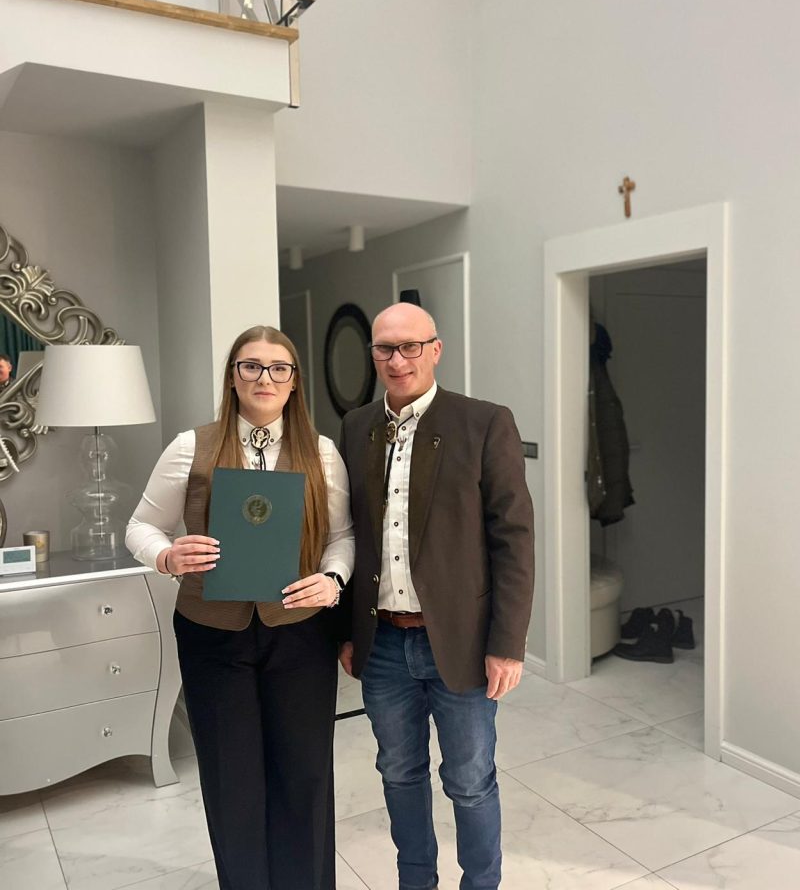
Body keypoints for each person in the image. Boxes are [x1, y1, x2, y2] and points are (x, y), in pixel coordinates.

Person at [126, 325, 353, 890]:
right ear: (233, 377)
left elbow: (342, 536)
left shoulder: (322, 452)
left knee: (304, 773)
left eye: (279, 367)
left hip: (300, 633)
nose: (264, 378)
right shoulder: (190, 446)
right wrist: (166, 555)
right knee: (232, 781)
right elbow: (141, 526)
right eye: (250, 366)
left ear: (294, 382)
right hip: (213, 634)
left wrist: (333, 580)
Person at [338, 303, 534, 890]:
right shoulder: (355, 426)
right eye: (385, 348)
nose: (398, 360)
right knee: (399, 773)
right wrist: (346, 632)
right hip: (382, 645)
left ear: (435, 349)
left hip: (461, 643)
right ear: (373, 355)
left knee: (470, 781)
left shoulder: (484, 422)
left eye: (411, 346)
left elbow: (513, 539)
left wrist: (507, 643)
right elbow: (346, 534)